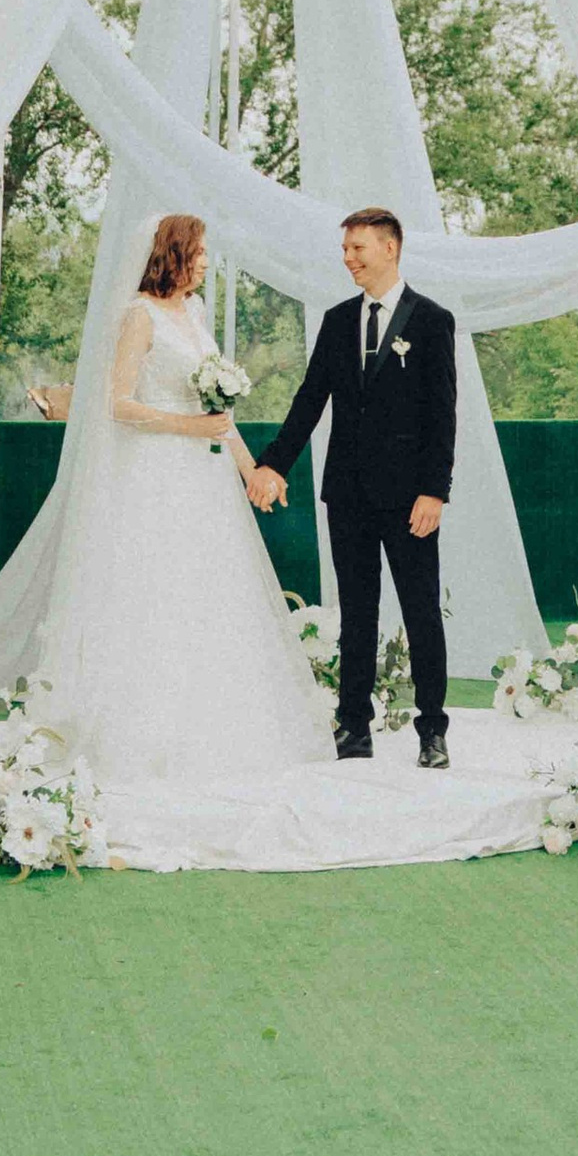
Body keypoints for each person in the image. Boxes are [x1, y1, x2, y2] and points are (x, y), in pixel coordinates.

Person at [26, 212, 324, 791]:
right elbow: (116, 404)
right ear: (175, 253)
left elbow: (218, 412)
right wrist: (183, 428)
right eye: (202, 250)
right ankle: (142, 734)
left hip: (205, 479)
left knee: (211, 592)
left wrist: (252, 472)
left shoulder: (195, 313)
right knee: (156, 592)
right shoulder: (139, 315)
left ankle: (221, 726)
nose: (209, 260)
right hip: (154, 472)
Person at [249, 208, 457, 768]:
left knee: (420, 613)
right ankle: (353, 727)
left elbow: (443, 417)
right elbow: (310, 399)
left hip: (412, 500)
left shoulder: (433, 321)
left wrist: (434, 492)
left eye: (358, 248)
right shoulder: (338, 320)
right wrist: (273, 463)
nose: (348, 258)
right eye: (345, 249)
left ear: (390, 248)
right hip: (348, 495)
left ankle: (432, 731)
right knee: (357, 616)